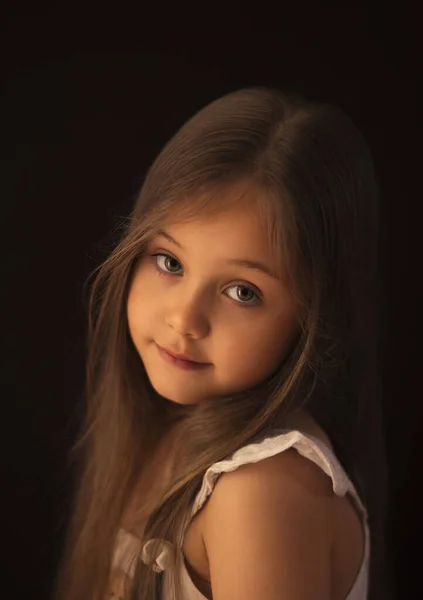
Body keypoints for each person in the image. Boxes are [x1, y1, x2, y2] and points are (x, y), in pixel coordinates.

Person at [54, 87, 391, 600]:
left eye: (242, 292)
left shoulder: (260, 493)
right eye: (169, 262)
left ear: (314, 322)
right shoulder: (167, 432)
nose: (184, 319)